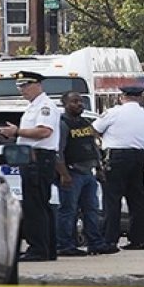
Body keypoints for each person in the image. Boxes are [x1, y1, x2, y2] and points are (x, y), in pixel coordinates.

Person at [0, 71, 64, 262]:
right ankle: (46, 248)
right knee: (39, 205)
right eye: (20, 86)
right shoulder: (33, 107)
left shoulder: (45, 107)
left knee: (35, 206)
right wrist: (13, 134)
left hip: (39, 159)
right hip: (33, 159)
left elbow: (44, 131)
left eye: (25, 86)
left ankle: (39, 249)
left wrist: (17, 131)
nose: (22, 90)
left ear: (38, 85)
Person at [96, 85, 144, 251]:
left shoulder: (114, 112)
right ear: (139, 97)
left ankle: (109, 239)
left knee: (112, 199)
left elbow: (95, 129)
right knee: (137, 199)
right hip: (138, 157)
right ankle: (138, 240)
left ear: (122, 97)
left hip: (117, 157)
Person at [55, 92, 113, 257]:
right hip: (72, 172)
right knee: (68, 211)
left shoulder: (85, 123)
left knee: (91, 210)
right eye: (74, 102)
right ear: (65, 104)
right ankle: (65, 245)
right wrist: (64, 174)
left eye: (80, 101)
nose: (79, 104)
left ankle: (95, 243)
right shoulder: (62, 124)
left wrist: (99, 168)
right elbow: (58, 151)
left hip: (88, 173)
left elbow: (93, 147)